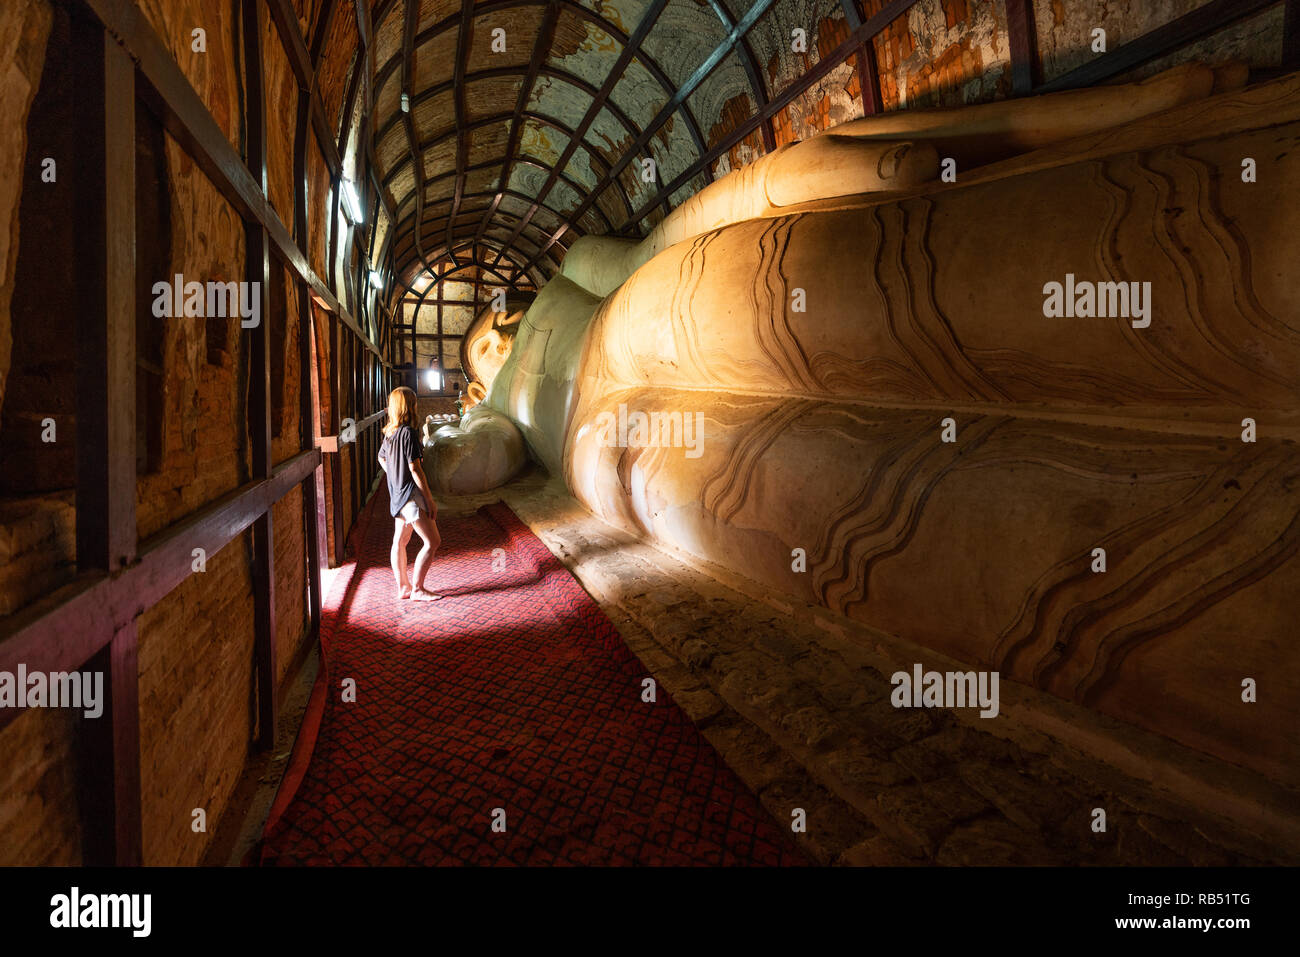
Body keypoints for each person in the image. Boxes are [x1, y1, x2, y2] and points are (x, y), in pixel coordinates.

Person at [377, 386, 441, 601]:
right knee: (432, 542)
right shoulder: (409, 433)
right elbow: (415, 469)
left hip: (397, 495)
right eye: (414, 401)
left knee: (400, 542)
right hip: (410, 496)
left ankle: (403, 587)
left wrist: (394, 476)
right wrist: (429, 500)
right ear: (409, 405)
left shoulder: (390, 433)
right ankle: (418, 589)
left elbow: (381, 459)